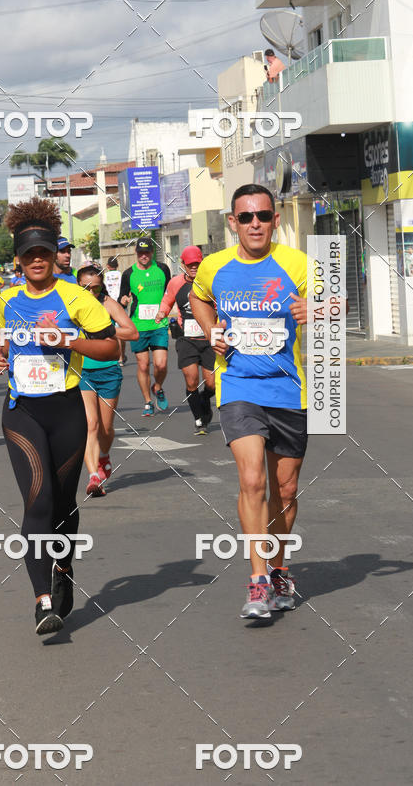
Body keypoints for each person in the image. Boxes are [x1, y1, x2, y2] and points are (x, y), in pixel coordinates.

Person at [0, 197, 119, 636]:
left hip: (66, 410)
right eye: (29, 254)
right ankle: (41, 599)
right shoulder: (7, 299)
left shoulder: (76, 297)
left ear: (53, 254)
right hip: (21, 410)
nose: (38, 260)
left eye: (44, 252)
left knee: (63, 505)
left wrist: (69, 343)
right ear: (19, 260)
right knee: (38, 499)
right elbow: (3, 346)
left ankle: (63, 570)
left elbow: (112, 347)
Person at [191, 183, 313, 620]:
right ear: (233, 222)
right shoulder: (214, 266)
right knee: (252, 480)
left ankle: (280, 569)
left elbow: (336, 302)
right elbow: (197, 297)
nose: (255, 223)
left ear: (276, 219)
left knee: (285, 490)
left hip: (287, 389)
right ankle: (259, 579)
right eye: (246, 217)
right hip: (238, 387)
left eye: (263, 215)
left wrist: (315, 311)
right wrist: (211, 331)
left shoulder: (296, 264)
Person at [77, 263, 138, 496]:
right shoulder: (72, 304)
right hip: (82, 370)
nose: (90, 293)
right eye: (85, 288)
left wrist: (105, 331)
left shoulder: (107, 304)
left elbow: (132, 332)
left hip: (108, 370)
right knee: (90, 425)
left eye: (95, 288)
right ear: (78, 286)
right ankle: (93, 477)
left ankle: (103, 455)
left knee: (106, 428)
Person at [156, 246, 215, 435]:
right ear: (183, 264)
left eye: (197, 264)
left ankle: (205, 400)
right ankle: (199, 419)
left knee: (212, 383)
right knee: (191, 381)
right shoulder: (175, 283)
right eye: (190, 265)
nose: (194, 268)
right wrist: (162, 312)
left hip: (208, 338)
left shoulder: (211, 280)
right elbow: (167, 301)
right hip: (186, 339)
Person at [119, 237, 171, 416]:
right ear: (136, 253)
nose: (144, 256)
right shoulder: (128, 274)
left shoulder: (163, 269)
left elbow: (169, 294)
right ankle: (148, 401)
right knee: (142, 365)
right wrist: (124, 300)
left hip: (159, 324)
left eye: (147, 252)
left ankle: (157, 387)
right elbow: (121, 297)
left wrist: (168, 310)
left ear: (152, 252)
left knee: (161, 364)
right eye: (140, 253)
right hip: (139, 326)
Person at [104, 257, 127, 364]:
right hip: (121, 305)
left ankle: (118, 356)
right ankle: (122, 356)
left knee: (113, 331)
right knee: (122, 331)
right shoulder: (122, 275)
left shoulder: (104, 277)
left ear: (108, 266)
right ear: (117, 265)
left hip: (108, 305)